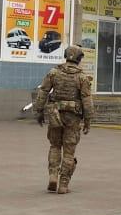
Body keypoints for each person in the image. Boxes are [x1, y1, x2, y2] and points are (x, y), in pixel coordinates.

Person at [33, 45, 94, 195]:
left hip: (55, 114)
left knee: (55, 146)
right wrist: (88, 120)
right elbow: (87, 101)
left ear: (66, 56)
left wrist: (39, 111)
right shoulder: (82, 77)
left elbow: (43, 92)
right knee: (69, 152)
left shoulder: (54, 72)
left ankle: (53, 175)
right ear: (79, 59)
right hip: (73, 118)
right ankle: (63, 184)